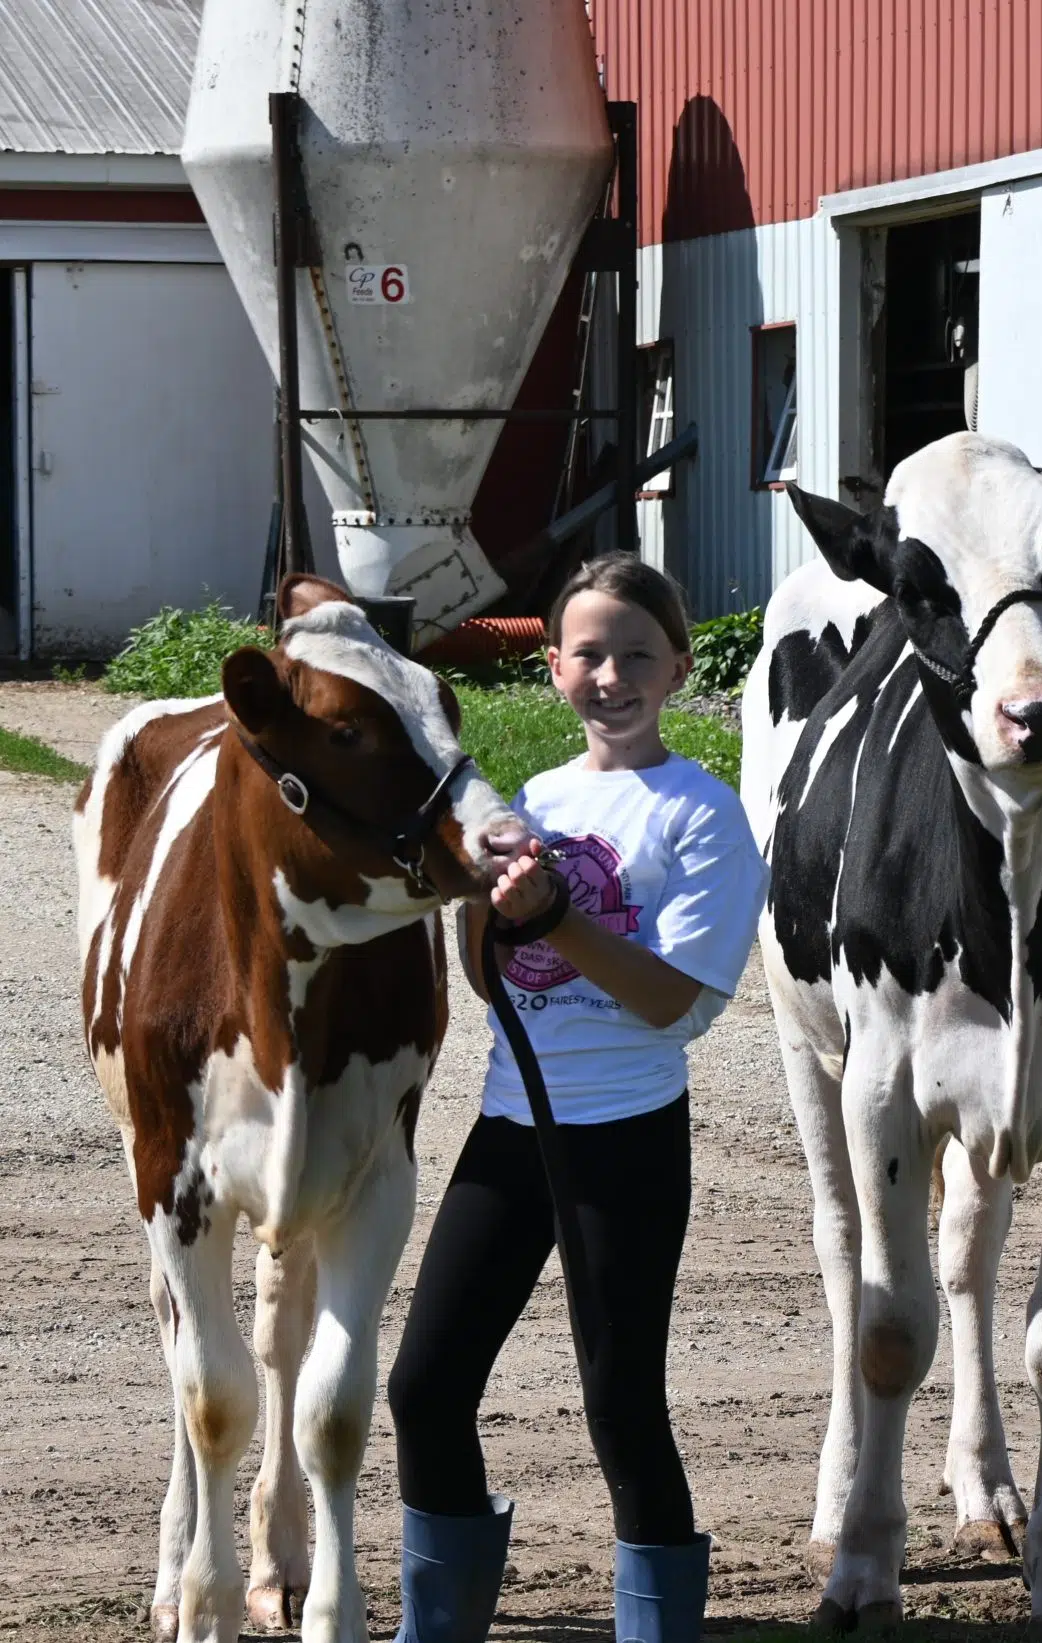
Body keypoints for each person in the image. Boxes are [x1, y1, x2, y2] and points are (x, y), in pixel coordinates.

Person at [385, 554, 766, 1643]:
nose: (611, 675)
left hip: (627, 1140)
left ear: (681, 667)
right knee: (425, 1384)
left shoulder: (703, 813)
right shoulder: (537, 800)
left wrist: (552, 913)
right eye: (588, 653)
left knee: (622, 1406)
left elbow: (672, 1005)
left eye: (637, 654)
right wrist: (484, 898)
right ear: (551, 666)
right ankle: (440, 1627)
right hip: (511, 1129)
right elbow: (487, 978)